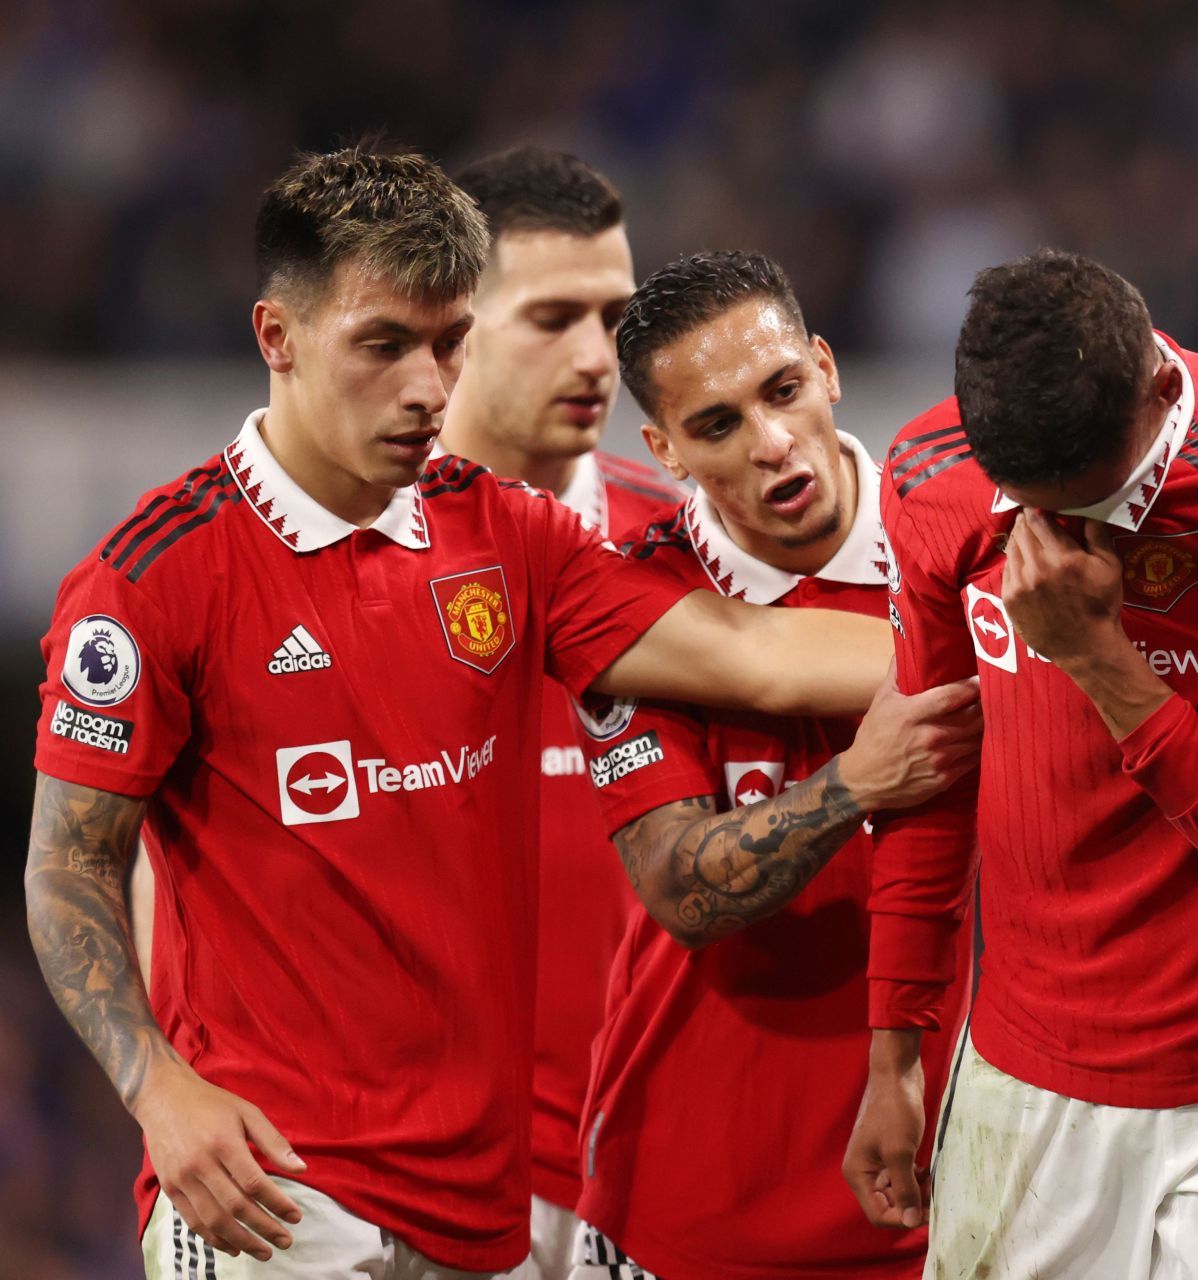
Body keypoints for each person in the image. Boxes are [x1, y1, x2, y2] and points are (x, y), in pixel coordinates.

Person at [24, 145, 900, 1279]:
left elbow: (764, 657)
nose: (426, 387)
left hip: (484, 1203)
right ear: (276, 339)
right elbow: (69, 860)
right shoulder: (154, 576)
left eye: (447, 345)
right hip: (276, 1192)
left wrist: (1030, 648)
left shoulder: (507, 535)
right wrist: (158, 1086)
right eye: (382, 346)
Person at [845, 249, 1198, 1277]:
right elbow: (930, 778)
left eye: (1089, 500)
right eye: (1027, 502)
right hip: (1023, 1073)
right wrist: (894, 1048)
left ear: (1162, 386)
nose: (1053, 536)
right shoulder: (932, 475)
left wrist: (1102, 661)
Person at [551, 249, 975, 1280]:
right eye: (718, 424)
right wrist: (852, 785)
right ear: (664, 448)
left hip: (965, 1195)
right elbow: (680, 888)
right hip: (698, 1209)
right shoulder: (639, 602)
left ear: (826, 368)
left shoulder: (977, 538)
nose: (773, 441)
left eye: (782, 390)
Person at [438, 145, 681, 1280]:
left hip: (654, 1181)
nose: (598, 357)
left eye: (614, 317)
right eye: (552, 317)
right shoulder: (338, 558)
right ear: (451, 324)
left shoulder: (696, 552)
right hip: (413, 1185)